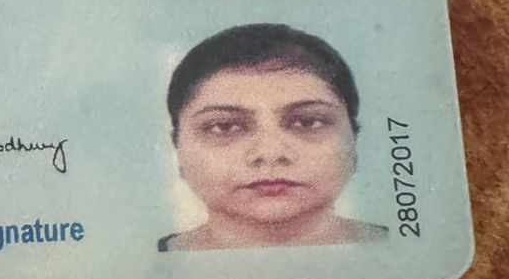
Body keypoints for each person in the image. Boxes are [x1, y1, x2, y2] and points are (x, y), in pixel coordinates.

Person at [158, 23, 387, 252]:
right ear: (178, 149)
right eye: (224, 127)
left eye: (307, 122)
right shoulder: (145, 263)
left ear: (353, 140)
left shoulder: (404, 253)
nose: (270, 153)